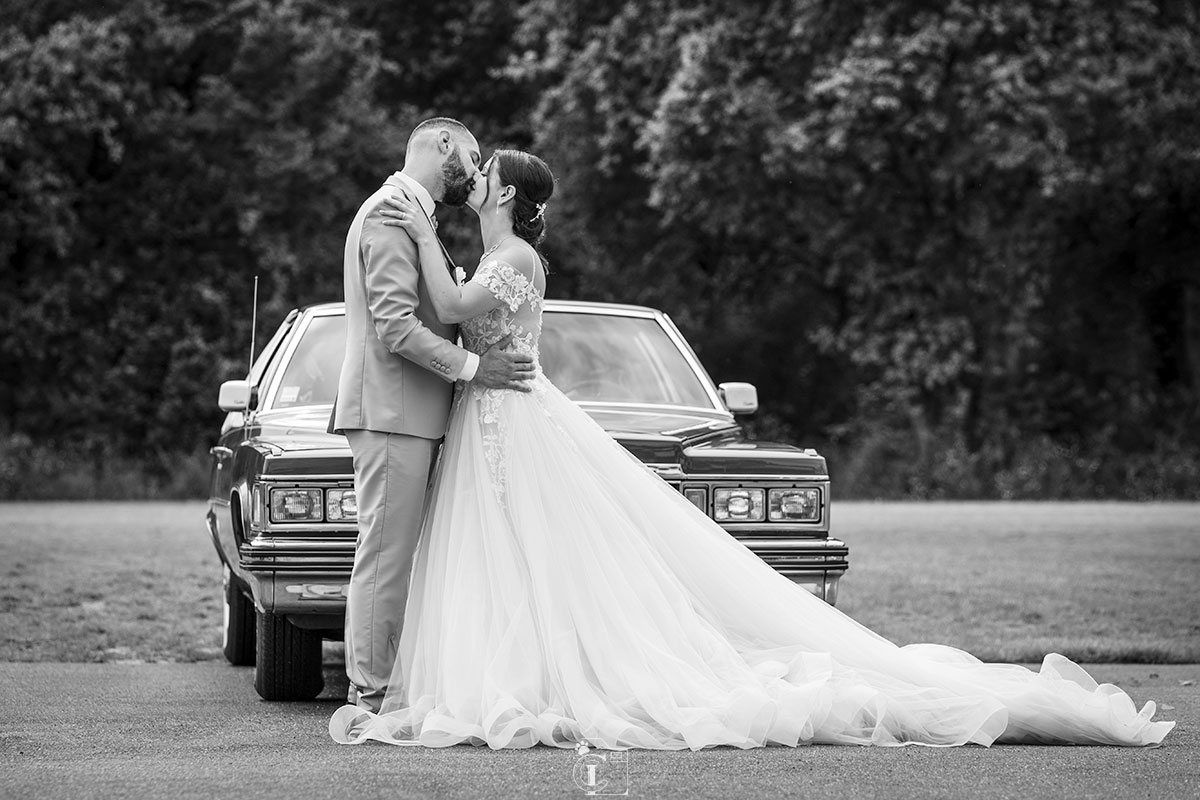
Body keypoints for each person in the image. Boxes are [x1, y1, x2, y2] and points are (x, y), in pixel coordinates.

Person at [328, 149, 1174, 750]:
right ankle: (516, 677)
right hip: (492, 418)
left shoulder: (507, 258)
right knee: (506, 556)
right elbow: (435, 308)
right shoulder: (496, 247)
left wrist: (416, 214)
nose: (474, 179)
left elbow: (440, 299)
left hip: (506, 415)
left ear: (509, 197)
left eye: (486, 174)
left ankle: (536, 682)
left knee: (535, 554)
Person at [328, 118, 535, 714]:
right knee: (386, 555)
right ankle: (369, 694)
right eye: (472, 158)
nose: (475, 174)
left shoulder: (412, 214)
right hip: (393, 410)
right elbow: (396, 326)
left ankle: (385, 685)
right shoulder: (390, 213)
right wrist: (474, 368)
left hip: (412, 412)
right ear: (443, 145)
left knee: (398, 554)